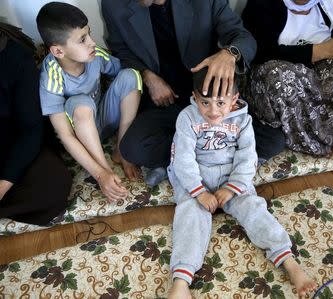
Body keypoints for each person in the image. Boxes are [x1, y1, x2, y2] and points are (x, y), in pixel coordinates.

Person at [166, 68, 317, 298]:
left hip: (230, 177)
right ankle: (181, 280)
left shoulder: (243, 120)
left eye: (220, 102)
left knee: (253, 208)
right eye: (204, 102)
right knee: (189, 214)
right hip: (196, 177)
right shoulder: (187, 118)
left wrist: (232, 187)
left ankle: (288, 261)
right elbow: (183, 159)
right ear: (195, 97)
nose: (213, 111)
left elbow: (247, 158)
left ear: (234, 99)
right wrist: (198, 192)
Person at [101, 0, 279, 186]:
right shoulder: (113, 4)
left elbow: (242, 36)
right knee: (133, 148)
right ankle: (214, 156)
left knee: (273, 141)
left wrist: (230, 53)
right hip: (163, 103)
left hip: (208, 96)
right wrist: (147, 76)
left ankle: (183, 162)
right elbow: (120, 51)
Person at [241, 0, 333, 157]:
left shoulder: (329, 3)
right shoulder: (261, 4)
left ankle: (331, 135)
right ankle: (310, 142)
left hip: (313, 81)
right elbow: (258, 53)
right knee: (278, 76)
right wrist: (322, 50)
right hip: (274, 81)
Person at [36, 2, 142, 202]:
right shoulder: (51, 76)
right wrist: (101, 174)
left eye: (89, 34)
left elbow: (125, 79)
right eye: (83, 39)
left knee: (131, 75)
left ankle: (121, 149)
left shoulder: (95, 56)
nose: (93, 42)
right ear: (58, 52)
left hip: (101, 121)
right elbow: (65, 135)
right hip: (80, 135)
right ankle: (106, 170)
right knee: (81, 102)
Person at [0, 22, 72, 225]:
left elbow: (30, 129)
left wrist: (3, 186)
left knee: (53, 187)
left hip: (14, 144)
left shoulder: (15, 55)